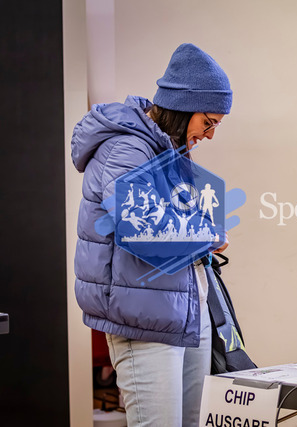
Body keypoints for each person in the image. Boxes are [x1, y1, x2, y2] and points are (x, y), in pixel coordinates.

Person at [72, 43, 255, 427]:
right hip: (144, 323)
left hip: (183, 315)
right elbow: (143, 228)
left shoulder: (167, 151)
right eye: (209, 122)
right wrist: (208, 235)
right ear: (184, 108)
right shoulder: (126, 148)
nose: (210, 135)